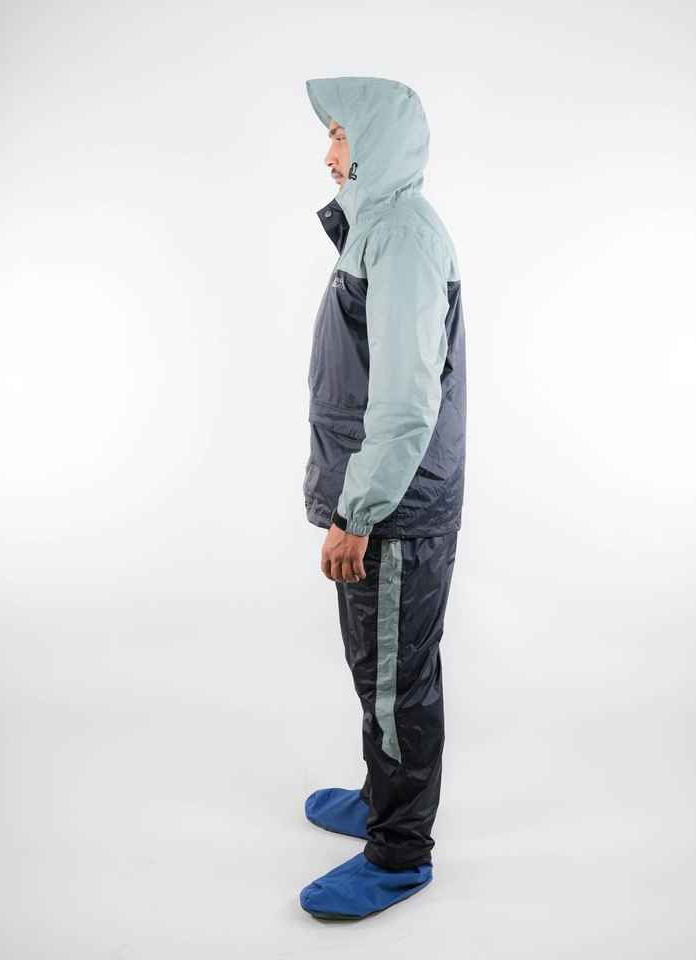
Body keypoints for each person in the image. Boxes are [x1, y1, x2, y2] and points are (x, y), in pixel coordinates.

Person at [299, 76, 467, 921]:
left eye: (338, 133)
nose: (328, 153)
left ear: (374, 141)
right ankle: (380, 797)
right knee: (380, 669)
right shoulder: (380, 228)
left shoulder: (400, 236)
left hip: (393, 510)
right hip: (384, 500)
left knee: (396, 682)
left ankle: (399, 853)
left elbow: (404, 402)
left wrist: (354, 513)